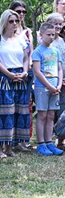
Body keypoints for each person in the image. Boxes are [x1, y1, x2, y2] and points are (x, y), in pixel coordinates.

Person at [0, 10, 31, 158]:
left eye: (16, 21)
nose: (14, 24)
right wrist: (9, 74)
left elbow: (26, 57)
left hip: (21, 77)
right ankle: (1, 148)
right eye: (11, 21)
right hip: (5, 77)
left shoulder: (21, 39)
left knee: (20, 111)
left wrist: (25, 72)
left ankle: (10, 147)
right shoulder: (0, 39)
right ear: (4, 22)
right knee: (5, 112)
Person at [31, 23, 64, 156]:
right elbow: (37, 72)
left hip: (55, 87)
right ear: (41, 35)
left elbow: (60, 69)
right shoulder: (38, 51)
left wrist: (59, 85)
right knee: (42, 115)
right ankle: (41, 143)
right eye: (48, 35)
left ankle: (50, 142)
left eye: (53, 35)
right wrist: (49, 86)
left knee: (51, 115)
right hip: (42, 88)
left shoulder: (56, 51)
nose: (51, 37)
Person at [49, 15, 65, 117]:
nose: (58, 26)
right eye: (56, 24)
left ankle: (63, 133)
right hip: (51, 83)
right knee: (50, 114)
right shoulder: (46, 42)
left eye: (60, 24)